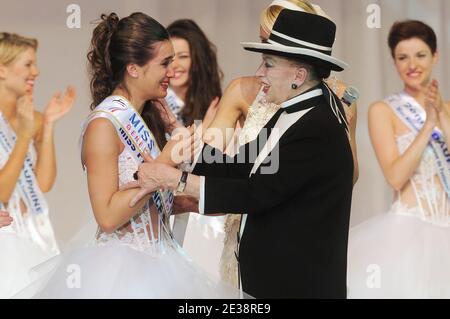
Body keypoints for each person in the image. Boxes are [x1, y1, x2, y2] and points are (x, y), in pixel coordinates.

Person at [127, 9, 354, 298]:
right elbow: (243, 165)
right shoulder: (292, 113)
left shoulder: (317, 126)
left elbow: (256, 192)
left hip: (298, 286)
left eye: (268, 64)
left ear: (299, 75)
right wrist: (184, 144)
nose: (260, 73)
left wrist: (174, 180)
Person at [16, 12, 242, 299]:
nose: (172, 72)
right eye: (164, 63)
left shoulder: (145, 118)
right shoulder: (104, 123)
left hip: (162, 259)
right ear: (134, 68)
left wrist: (194, 201)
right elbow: (108, 216)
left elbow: (144, 202)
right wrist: (166, 162)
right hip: (121, 270)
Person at [205, 0, 359, 288]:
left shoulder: (334, 105)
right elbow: (214, 164)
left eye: (272, 49)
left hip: (295, 253)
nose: (261, 65)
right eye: (265, 42)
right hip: (241, 232)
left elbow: (344, 179)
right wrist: (182, 171)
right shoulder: (241, 89)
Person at [347, 20, 450, 298]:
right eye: (402, 57)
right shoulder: (383, 110)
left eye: (420, 55)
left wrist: (441, 114)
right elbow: (395, 176)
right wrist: (428, 125)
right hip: (408, 231)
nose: (412, 64)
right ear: (394, 62)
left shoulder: (448, 109)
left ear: (435, 56)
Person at [0, 32, 75, 298]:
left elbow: (43, 183)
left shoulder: (33, 118)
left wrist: (49, 125)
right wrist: (23, 137)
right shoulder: (24, 126)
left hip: (35, 232)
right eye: (28, 64)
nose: (36, 71)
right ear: (2, 69)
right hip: (5, 238)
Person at [164, 19, 227, 279]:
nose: (175, 65)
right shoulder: (155, 107)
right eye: (169, 58)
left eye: (183, 56)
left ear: (197, 60)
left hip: (205, 215)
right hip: (169, 207)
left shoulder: (215, 105)